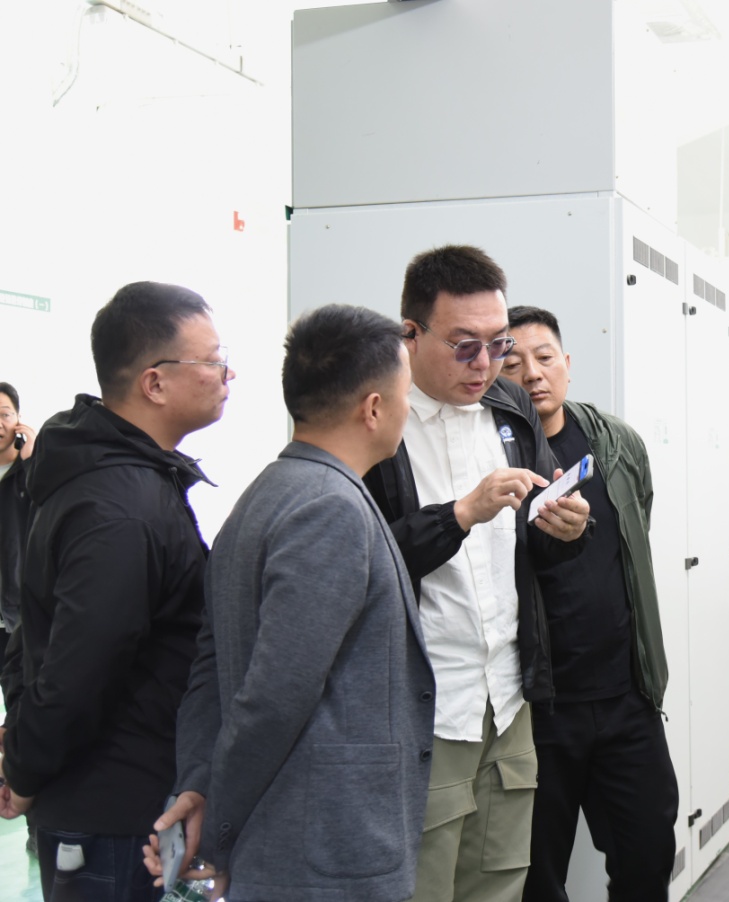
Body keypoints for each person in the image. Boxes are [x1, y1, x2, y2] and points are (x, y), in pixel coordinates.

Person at [150, 304, 435, 902]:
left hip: (295, 846)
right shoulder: (330, 508)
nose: (408, 408)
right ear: (373, 408)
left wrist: (198, 782)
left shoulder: (266, 494)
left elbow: (211, 668)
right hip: (322, 852)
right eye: (406, 392)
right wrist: (217, 829)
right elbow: (275, 696)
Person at [363, 245, 592, 902]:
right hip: (427, 704)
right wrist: (460, 514)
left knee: (501, 881)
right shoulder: (377, 421)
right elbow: (360, 562)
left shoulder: (509, 408)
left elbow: (530, 551)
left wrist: (565, 530)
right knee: (425, 885)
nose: (486, 364)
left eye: (498, 345)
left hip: (508, 695)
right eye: (465, 346)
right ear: (410, 334)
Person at [0, 282, 232, 902]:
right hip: (110, 809)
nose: (226, 374)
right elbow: (78, 669)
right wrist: (25, 769)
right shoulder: (121, 507)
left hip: (118, 796)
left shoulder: (114, 474)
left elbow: (36, 634)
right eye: (213, 360)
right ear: (154, 383)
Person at [501, 306, 679, 902]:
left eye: (544, 357)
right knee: (535, 878)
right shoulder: (491, 456)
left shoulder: (615, 443)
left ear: (567, 364)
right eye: (512, 363)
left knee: (646, 858)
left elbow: (637, 524)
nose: (532, 374)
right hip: (539, 711)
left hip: (627, 697)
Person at [0, 381, 36, 715]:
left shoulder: (32, 471)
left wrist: (34, 461)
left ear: (19, 420)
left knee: (22, 705)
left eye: (5, 414)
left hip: (21, 614)